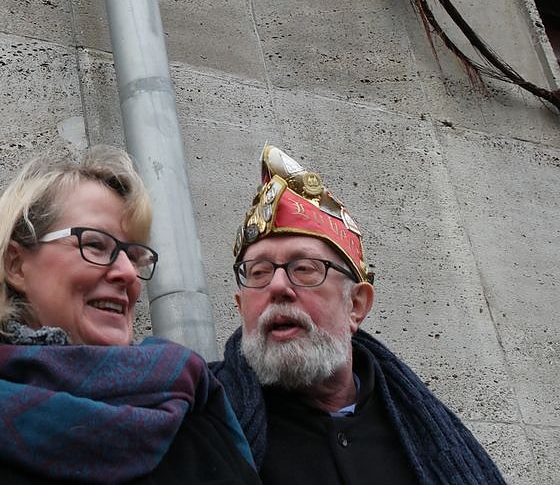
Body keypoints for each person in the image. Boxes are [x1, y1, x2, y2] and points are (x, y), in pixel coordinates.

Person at [0, 146, 259, 485]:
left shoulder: (191, 416)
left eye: (134, 255)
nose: (126, 274)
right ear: (16, 264)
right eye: (96, 245)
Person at [212, 144, 505, 485]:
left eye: (304, 268)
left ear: (356, 305)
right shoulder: (203, 418)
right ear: (241, 306)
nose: (277, 286)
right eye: (259, 272)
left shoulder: (427, 430)